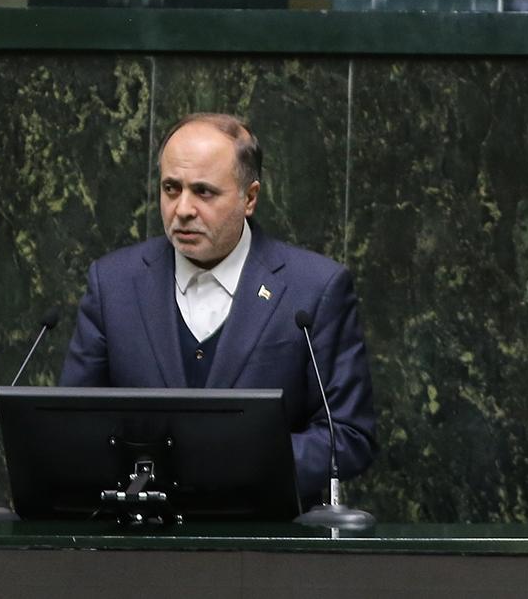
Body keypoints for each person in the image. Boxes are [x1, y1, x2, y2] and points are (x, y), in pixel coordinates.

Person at [60, 113, 375, 506]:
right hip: (141, 532)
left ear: (250, 198)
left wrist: (234, 464)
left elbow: (348, 435)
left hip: (264, 532)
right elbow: (71, 425)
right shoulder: (114, 284)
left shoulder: (313, 289)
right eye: (171, 189)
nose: (182, 209)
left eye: (204, 192)